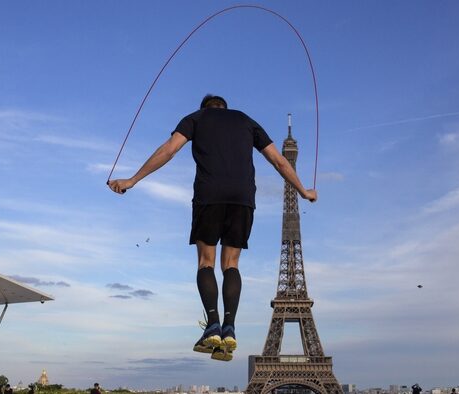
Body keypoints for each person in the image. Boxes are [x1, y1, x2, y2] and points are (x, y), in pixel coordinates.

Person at [109, 94, 317, 361]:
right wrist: (303, 190)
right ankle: (230, 327)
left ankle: (213, 325)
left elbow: (169, 150)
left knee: (206, 262)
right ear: (225, 108)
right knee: (231, 264)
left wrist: (133, 179)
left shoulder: (195, 118)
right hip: (243, 198)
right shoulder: (246, 120)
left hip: (209, 195)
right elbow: (278, 160)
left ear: (204, 108)